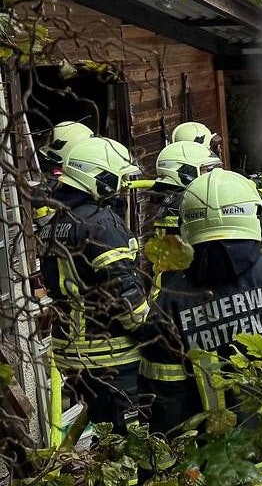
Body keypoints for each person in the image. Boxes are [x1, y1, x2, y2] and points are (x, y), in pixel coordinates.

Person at [139, 169, 262, 486]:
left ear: (185, 229)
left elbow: (166, 410)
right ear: (257, 221)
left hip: (228, 475)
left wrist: (165, 473)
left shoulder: (167, 309)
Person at [39, 136, 148, 433]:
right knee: (132, 441)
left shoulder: (56, 223)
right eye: (118, 179)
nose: (122, 187)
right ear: (99, 178)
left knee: (105, 431)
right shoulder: (101, 225)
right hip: (110, 356)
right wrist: (155, 337)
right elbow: (126, 296)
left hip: (71, 354)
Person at [146, 141, 222, 239]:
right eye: (208, 169)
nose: (213, 175)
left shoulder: (172, 199)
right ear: (185, 172)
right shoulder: (183, 203)